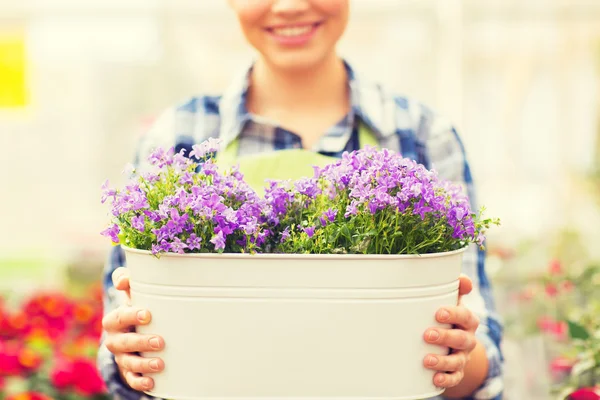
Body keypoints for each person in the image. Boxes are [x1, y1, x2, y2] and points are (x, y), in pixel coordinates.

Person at [97, 1, 504, 399]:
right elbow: (127, 343)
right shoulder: (177, 135)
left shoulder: (421, 134)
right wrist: (130, 351)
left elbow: (481, 355)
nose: (290, 6)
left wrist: (455, 357)